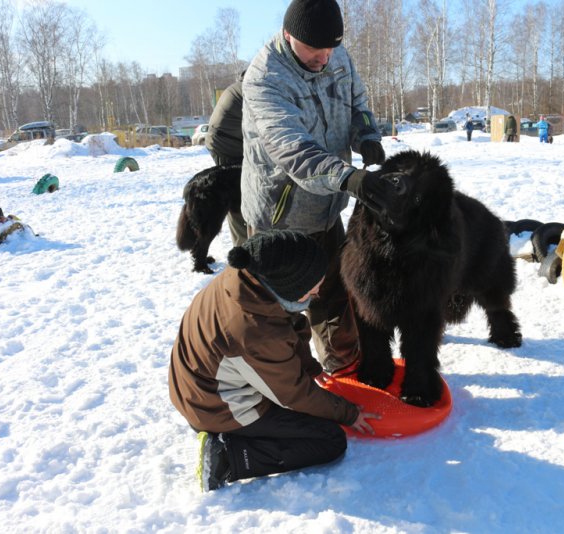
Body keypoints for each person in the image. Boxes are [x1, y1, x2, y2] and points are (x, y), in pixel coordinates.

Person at [241, 0, 408, 373]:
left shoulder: (336, 55)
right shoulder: (265, 78)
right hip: (280, 216)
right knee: (283, 307)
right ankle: (291, 379)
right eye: (315, 49)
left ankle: (343, 367)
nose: (325, 57)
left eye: (330, 48)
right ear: (289, 35)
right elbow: (293, 150)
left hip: (328, 205)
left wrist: (366, 133)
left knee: (333, 291)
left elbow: (357, 102)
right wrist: (350, 178)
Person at [169, 230, 379, 491]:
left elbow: (289, 325)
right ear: (288, 288)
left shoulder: (247, 279)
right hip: (215, 408)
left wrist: (309, 366)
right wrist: (350, 413)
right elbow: (295, 395)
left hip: (195, 389)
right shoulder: (255, 331)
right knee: (330, 439)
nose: (318, 291)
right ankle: (227, 457)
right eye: (312, 288)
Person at [205, 72, 248, 246]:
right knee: (237, 195)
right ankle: (243, 246)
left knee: (241, 192)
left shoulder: (239, 87)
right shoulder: (249, 90)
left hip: (225, 140)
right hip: (226, 146)